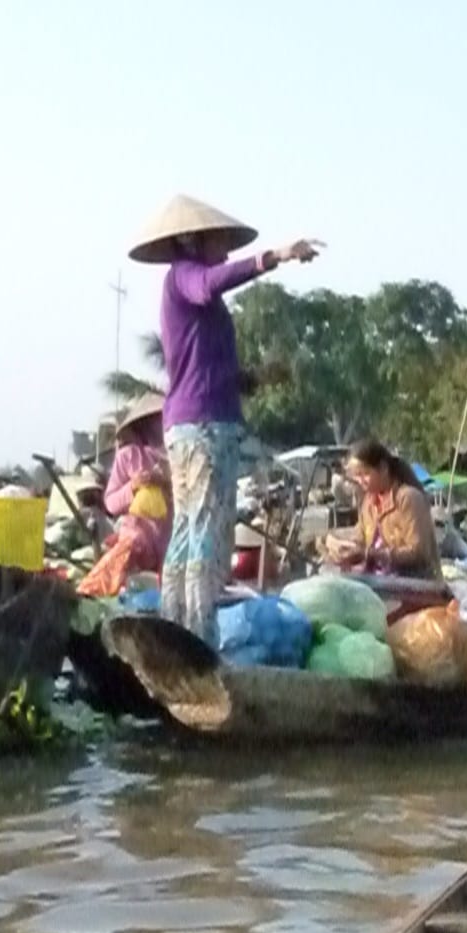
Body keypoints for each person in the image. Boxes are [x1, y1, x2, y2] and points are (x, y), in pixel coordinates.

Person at [129, 195, 320, 644]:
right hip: (203, 426)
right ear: (194, 239)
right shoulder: (185, 277)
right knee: (207, 527)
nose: (227, 251)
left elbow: (205, 363)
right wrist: (274, 256)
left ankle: (176, 625)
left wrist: (249, 378)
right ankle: (196, 633)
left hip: (197, 420)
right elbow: (211, 283)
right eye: (220, 241)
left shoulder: (194, 296)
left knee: (191, 526)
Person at [78, 393, 171, 597]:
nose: (159, 428)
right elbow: (111, 503)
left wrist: (165, 484)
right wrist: (134, 486)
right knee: (110, 579)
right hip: (136, 540)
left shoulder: (177, 459)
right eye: (154, 422)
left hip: (168, 544)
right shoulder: (128, 456)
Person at [329, 439, 441, 579]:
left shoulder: (408, 498)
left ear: (383, 468)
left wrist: (371, 554)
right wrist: (342, 550)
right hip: (380, 581)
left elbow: (419, 553)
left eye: (365, 474)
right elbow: (360, 539)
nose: (360, 481)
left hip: (413, 583)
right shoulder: (368, 502)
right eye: (357, 476)